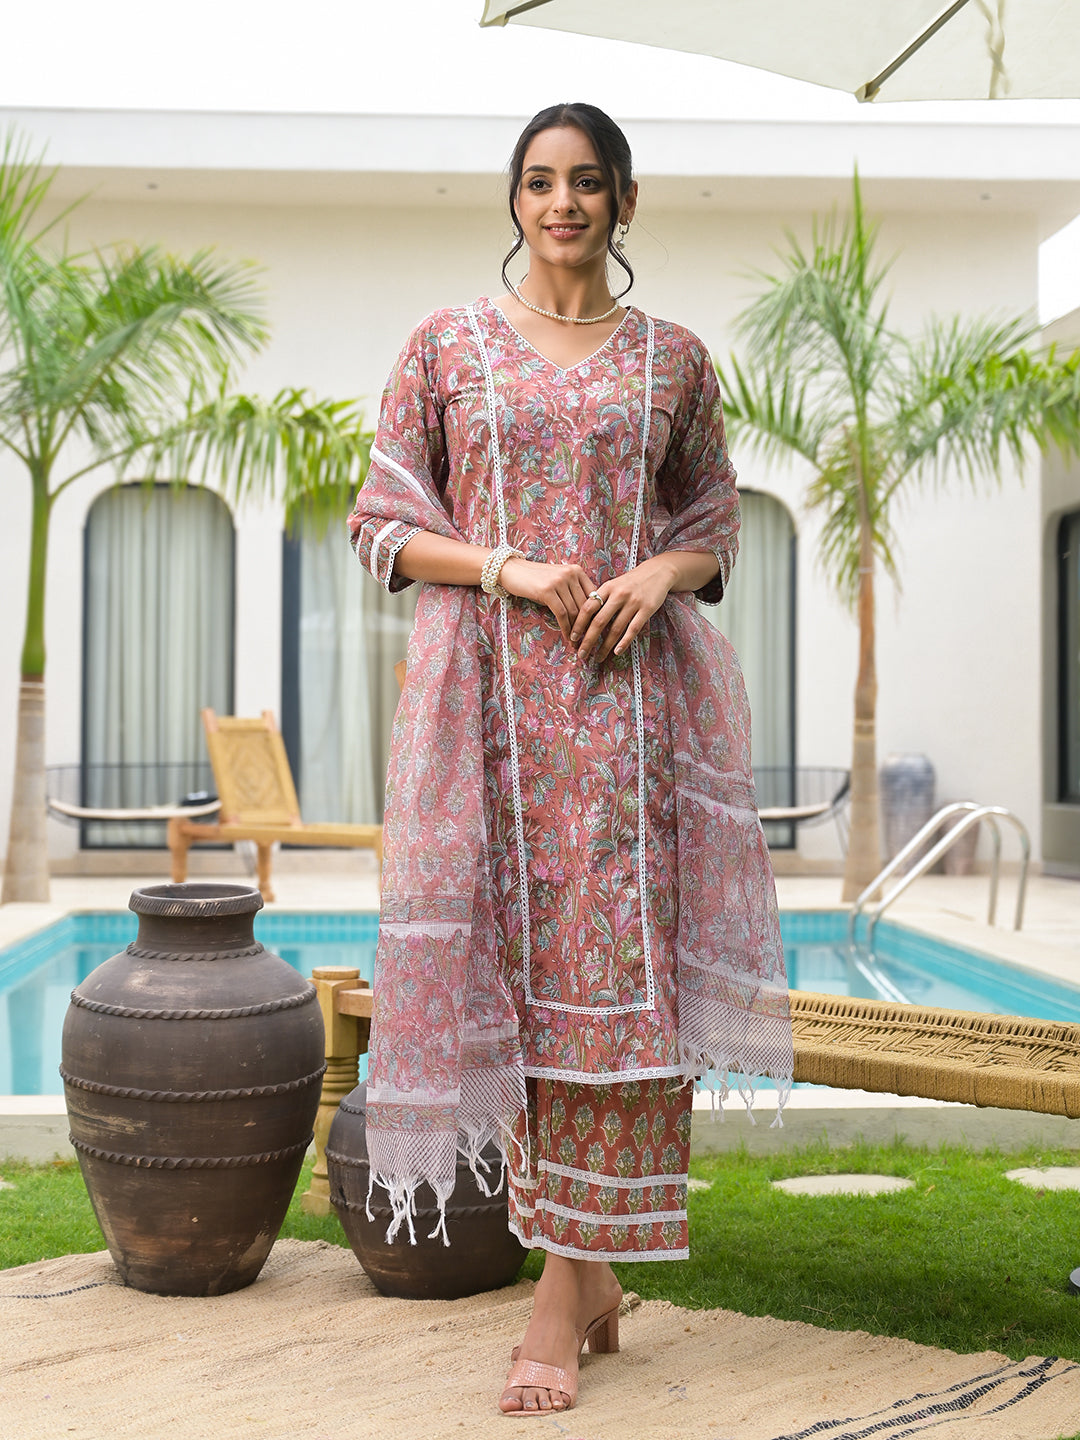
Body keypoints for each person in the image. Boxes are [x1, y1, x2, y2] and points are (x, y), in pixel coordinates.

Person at [348, 101, 792, 1418]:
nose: (561, 204)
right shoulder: (446, 349)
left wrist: (658, 571)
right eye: (539, 182)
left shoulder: (674, 361)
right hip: (486, 727)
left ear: (625, 203)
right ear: (514, 201)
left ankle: (559, 1286)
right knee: (527, 994)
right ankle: (594, 1281)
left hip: (631, 728)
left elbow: (712, 516)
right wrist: (511, 567)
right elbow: (383, 528)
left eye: (586, 182)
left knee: (624, 1000)